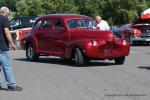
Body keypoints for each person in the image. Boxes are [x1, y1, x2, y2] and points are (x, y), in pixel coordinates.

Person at [0, 6, 22, 91]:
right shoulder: (4, 19)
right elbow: (7, 32)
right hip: (2, 47)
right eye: (8, 14)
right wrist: (12, 43)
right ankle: (11, 85)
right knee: (7, 66)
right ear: (6, 13)